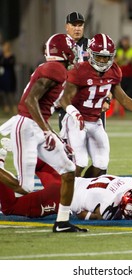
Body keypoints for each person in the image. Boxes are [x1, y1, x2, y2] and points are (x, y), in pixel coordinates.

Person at [9, 33, 87, 233]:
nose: (75, 52)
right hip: (27, 125)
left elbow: (42, 109)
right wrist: (46, 131)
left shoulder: (56, 68)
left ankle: (61, 222)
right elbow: (30, 101)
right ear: (64, 50)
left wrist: (55, 134)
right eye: (72, 48)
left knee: (69, 170)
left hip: (37, 125)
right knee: (24, 187)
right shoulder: (54, 68)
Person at [59, 33, 132, 178]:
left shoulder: (114, 71)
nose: (102, 60)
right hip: (77, 121)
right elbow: (64, 98)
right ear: (91, 54)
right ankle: (64, 195)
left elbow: (123, 99)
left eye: (106, 57)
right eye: (99, 56)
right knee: (79, 161)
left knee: (101, 164)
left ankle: (84, 189)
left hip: (95, 121)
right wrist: (74, 113)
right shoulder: (79, 70)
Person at [0, 155, 132, 221]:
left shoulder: (129, 182)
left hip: (68, 179)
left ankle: (19, 146)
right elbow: (81, 215)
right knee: (10, 208)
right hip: (59, 197)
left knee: (41, 165)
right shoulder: (107, 210)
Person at [58, 12, 93, 130]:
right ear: (66, 26)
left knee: (94, 142)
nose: (77, 29)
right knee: (67, 142)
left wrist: (107, 97)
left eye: (80, 25)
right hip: (68, 98)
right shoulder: (59, 45)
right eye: (74, 25)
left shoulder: (92, 45)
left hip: (89, 99)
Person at [0, 41, 17, 114]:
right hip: (2, 76)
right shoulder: (1, 56)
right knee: (3, 92)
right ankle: (6, 107)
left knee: (10, 93)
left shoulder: (11, 56)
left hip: (10, 76)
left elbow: (10, 64)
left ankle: (14, 107)